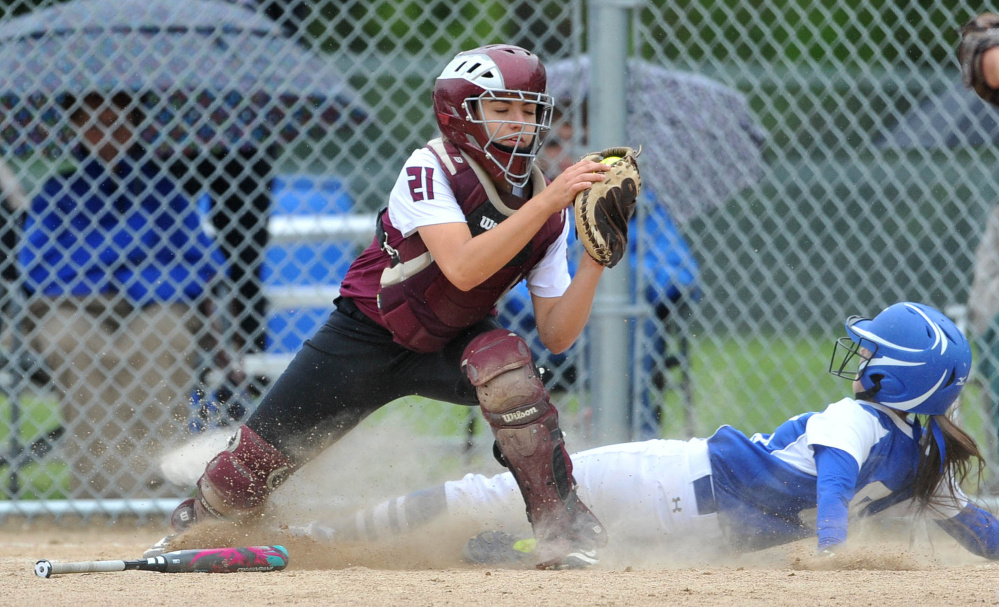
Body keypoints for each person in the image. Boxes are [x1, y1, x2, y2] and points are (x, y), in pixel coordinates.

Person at [156, 44, 619, 569]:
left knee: (506, 365)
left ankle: (561, 529)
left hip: (450, 342)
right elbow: (462, 267)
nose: (521, 123)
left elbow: (557, 336)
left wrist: (595, 262)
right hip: (364, 338)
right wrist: (547, 203)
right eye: (503, 108)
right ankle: (195, 525)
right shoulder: (433, 166)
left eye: (530, 110)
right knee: (240, 480)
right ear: (460, 114)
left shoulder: (545, 208)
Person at [289, 302, 999, 566]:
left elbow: (838, 472)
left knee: (491, 489)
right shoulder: (921, 461)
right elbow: (975, 528)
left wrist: (835, 548)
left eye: (874, 355)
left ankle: (327, 534)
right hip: (697, 533)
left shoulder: (857, 418)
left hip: (671, 480)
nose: (862, 361)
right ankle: (512, 550)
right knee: (583, 540)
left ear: (897, 379)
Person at [19, 91, 224, 498]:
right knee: (72, 341)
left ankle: (159, 489)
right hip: (73, 304)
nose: (106, 133)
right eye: (93, 122)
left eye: (117, 122)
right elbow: (35, 268)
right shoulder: (59, 190)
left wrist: (113, 269)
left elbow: (205, 264)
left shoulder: (163, 190)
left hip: (154, 303)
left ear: (135, 128)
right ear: (76, 129)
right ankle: (101, 494)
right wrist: (130, 256)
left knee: (162, 338)